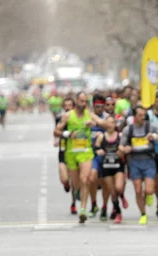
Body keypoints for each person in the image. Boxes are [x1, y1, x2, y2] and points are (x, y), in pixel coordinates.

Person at [54, 92, 108, 223]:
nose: (84, 104)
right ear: (76, 101)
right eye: (81, 101)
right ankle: (77, 192)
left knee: (85, 179)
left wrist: (95, 122)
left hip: (86, 151)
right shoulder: (68, 116)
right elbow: (56, 131)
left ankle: (83, 209)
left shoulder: (89, 114)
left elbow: (103, 123)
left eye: (85, 102)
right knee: (76, 184)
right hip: (71, 153)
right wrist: (68, 133)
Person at [120, 106, 158, 225]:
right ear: (134, 116)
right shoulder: (129, 129)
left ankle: (149, 194)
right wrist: (125, 148)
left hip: (149, 161)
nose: (143, 117)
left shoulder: (150, 126)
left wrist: (154, 136)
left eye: (144, 115)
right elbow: (121, 146)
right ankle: (143, 214)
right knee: (138, 190)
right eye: (140, 115)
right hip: (134, 162)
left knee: (148, 189)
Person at [94, 116, 125, 224]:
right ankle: (118, 213)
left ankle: (122, 195)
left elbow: (125, 146)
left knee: (119, 187)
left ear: (115, 124)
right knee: (112, 192)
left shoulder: (120, 136)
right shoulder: (101, 137)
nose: (110, 125)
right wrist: (99, 150)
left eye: (112, 123)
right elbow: (96, 147)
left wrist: (122, 150)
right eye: (107, 123)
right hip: (106, 167)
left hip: (118, 166)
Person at [54, 97, 76, 213]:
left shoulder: (78, 119)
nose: (67, 107)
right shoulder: (60, 118)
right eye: (65, 105)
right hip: (63, 151)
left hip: (75, 151)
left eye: (70, 105)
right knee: (65, 179)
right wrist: (57, 139)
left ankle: (73, 204)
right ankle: (66, 184)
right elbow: (56, 131)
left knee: (74, 181)